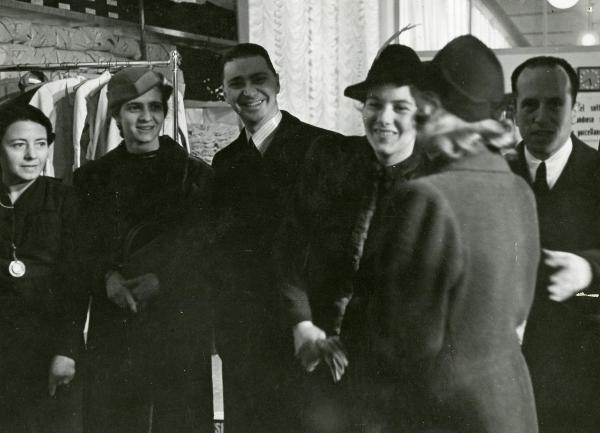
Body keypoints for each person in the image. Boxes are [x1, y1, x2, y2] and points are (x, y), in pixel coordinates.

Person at [341, 35, 540, 433]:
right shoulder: (518, 189)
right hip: (509, 407)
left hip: (441, 413)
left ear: (434, 110)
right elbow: (518, 312)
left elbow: (407, 343)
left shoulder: (426, 197)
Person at [275, 44, 425, 432]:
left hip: (398, 378)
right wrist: (302, 324)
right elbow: (290, 246)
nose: (384, 119)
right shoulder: (330, 159)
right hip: (321, 363)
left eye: (400, 107)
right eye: (374, 105)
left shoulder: (438, 183)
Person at [74, 67, 214, 433]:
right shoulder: (91, 179)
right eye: (134, 108)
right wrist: (106, 279)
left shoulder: (195, 177)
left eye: (155, 107)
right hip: (115, 326)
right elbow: (79, 247)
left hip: (179, 327)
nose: (146, 118)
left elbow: (208, 252)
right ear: (117, 116)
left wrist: (164, 280)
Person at [211, 42, 340, 433]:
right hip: (246, 338)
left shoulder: (324, 147)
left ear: (278, 83)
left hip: (305, 331)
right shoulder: (225, 162)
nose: (248, 91)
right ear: (226, 93)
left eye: (258, 79)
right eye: (236, 83)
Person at [509, 56, 600, 433]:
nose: (541, 116)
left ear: (575, 109)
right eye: (529, 104)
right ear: (513, 111)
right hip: (509, 377)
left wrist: (589, 271)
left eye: (555, 104)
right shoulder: (495, 173)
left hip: (584, 377)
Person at [0, 103, 84, 432]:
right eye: (18, 145)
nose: (32, 155)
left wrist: (67, 350)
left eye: (40, 145)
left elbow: (75, 282)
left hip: (48, 350)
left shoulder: (64, 201)